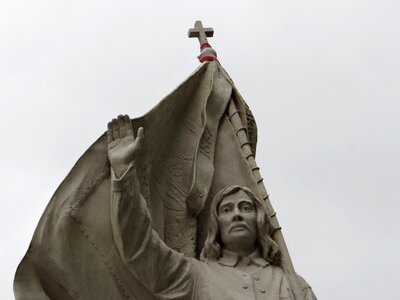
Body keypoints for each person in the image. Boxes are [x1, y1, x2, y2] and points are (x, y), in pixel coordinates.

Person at [107, 115, 315, 300]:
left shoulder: (294, 285)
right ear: (216, 225)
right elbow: (142, 249)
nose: (237, 215)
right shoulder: (197, 276)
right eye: (227, 210)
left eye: (245, 208)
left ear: (259, 220)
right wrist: (123, 173)